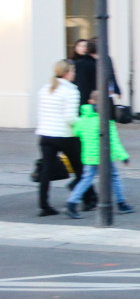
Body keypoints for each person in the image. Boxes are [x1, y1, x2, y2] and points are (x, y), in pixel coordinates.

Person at [65, 91, 134, 218]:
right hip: (104, 156)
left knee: (86, 179)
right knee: (114, 177)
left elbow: (76, 132)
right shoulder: (106, 120)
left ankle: (71, 203)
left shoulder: (83, 119)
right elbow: (113, 141)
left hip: (89, 156)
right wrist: (123, 156)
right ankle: (121, 203)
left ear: (90, 102)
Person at [35, 59, 88, 217]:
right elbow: (70, 118)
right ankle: (85, 198)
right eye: (73, 71)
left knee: (46, 171)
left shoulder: (45, 89)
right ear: (66, 73)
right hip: (65, 135)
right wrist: (83, 125)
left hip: (45, 135)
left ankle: (44, 206)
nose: (74, 74)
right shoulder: (71, 91)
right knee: (80, 169)